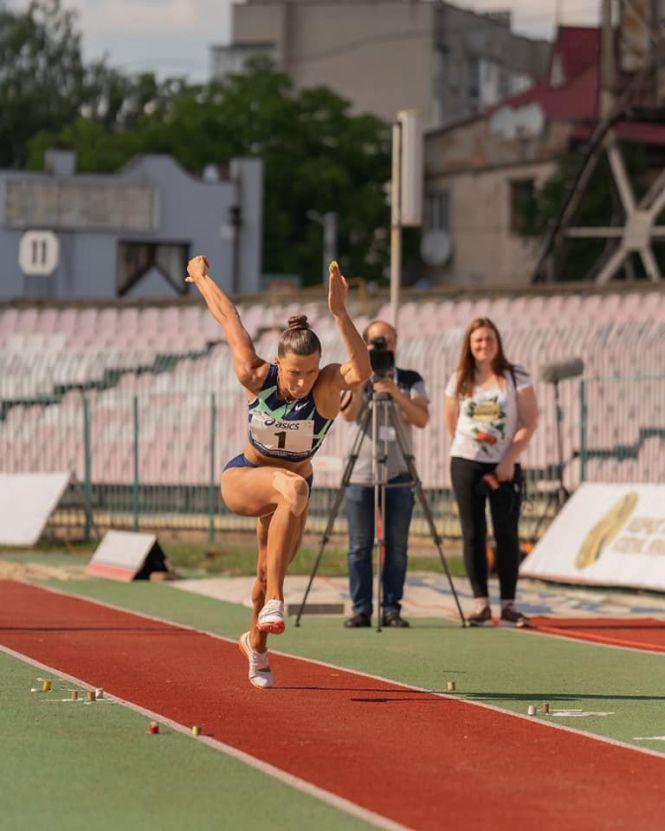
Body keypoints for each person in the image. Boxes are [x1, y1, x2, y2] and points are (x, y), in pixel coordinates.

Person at [186, 255, 371, 688]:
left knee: (267, 567)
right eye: (293, 373)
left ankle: (256, 645)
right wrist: (200, 277)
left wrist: (340, 312)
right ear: (277, 363)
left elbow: (362, 369)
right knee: (292, 486)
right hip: (245, 478)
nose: (302, 382)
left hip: (293, 494)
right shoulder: (256, 375)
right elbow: (228, 318)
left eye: (310, 373)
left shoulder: (325, 387)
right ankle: (276, 601)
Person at [444, 317, 538, 627]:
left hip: (504, 464)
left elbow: (529, 421)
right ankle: (480, 603)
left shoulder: (515, 376)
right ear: (469, 346)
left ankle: (509, 604)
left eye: (489, 339)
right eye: (478, 340)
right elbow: (451, 423)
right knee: (473, 532)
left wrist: (508, 458)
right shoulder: (459, 379)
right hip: (466, 462)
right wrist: (472, 450)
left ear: (497, 342)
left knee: (506, 532)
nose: (484, 345)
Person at [339, 320, 429, 628]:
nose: (382, 346)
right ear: (364, 343)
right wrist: (361, 381)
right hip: (361, 474)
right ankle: (361, 608)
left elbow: (421, 418)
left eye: (387, 341)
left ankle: (392, 608)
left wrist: (393, 391)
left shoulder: (410, 379)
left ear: (396, 344)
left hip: (398, 472)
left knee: (397, 546)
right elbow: (348, 415)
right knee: (359, 546)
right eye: (376, 341)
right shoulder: (355, 376)